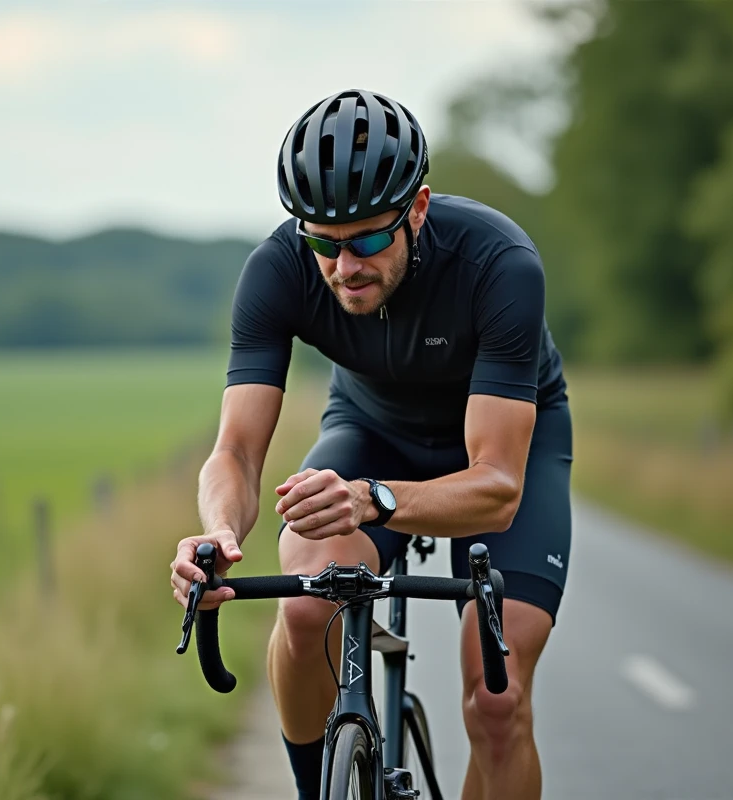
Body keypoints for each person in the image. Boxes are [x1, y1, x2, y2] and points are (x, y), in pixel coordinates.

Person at [169, 89, 572, 800]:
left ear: (417, 209)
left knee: (498, 704)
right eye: (323, 241)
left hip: (503, 455)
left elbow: (498, 486)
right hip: (371, 432)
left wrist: (372, 500)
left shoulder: (499, 262)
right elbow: (235, 451)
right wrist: (218, 536)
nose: (343, 265)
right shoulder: (278, 268)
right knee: (303, 608)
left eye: (367, 241)